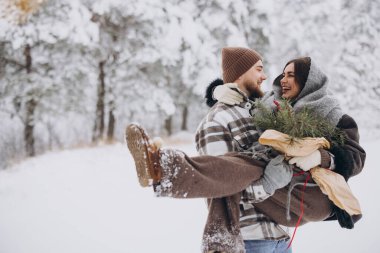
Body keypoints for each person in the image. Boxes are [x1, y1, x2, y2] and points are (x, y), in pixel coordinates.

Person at [126, 53, 366, 253]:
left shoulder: (331, 112)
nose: (279, 78)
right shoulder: (278, 106)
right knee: (249, 163)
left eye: (291, 74)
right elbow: (252, 105)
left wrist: (321, 158)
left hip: (316, 197)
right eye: (282, 73)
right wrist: (218, 92)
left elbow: (356, 156)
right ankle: (162, 168)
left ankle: (165, 169)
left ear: (309, 81)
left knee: (249, 164)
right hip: (275, 217)